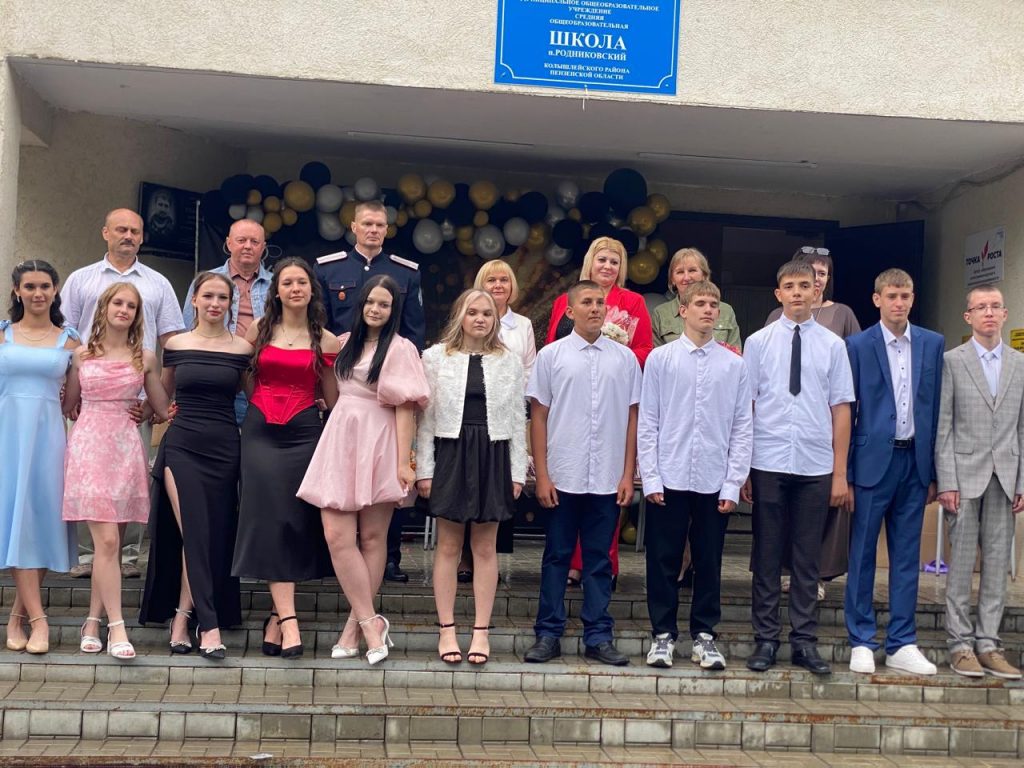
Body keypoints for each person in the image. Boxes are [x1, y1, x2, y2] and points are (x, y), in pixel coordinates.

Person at [297, 275, 429, 665]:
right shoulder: (342, 342)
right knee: (337, 535)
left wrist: (404, 462)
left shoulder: (401, 349)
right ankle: (372, 622)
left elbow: (405, 408)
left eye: (384, 304)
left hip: (379, 438)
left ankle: (354, 628)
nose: (376, 309)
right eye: (371, 301)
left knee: (372, 539)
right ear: (360, 303)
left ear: (394, 310)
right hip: (341, 436)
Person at [741, 260, 854, 675]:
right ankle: (766, 639)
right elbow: (747, 406)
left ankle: (804, 642)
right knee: (767, 555)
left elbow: (841, 409)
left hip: (815, 463)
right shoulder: (758, 342)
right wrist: (744, 468)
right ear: (779, 294)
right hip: (768, 459)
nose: (797, 293)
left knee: (808, 559)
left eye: (804, 285)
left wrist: (839, 473)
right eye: (789, 286)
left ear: (816, 290)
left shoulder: (833, 345)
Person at [61, 208, 185, 580]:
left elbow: (171, 343)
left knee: (129, 477)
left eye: (134, 231)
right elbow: (66, 336)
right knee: (89, 479)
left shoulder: (158, 283)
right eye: (121, 230)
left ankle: (128, 554)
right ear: (106, 233)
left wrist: (157, 399)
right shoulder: (81, 279)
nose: (128, 236)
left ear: (142, 237)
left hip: (133, 399)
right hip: (90, 398)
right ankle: (88, 554)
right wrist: (73, 386)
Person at [524, 280, 642, 667]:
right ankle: (548, 633)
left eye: (600, 302)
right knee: (557, 556)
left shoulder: (624, 359)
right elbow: (538, 417)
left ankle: (598, 635)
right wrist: (542, 475)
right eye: (586, 302)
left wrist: (627, 474)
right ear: (570, 311)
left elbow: (633, 417)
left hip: (607, 477)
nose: (595, 308)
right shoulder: (551, 356)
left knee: (599, 560)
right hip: (563, 475)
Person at [138, 272, 253, 660]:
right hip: (182, 446)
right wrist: (135, 405)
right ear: (195, 300)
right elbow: (162, 394)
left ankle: (182, 618)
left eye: (223, 297)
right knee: (194, 530)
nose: (215, 303)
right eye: (208, 296)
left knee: (206, 537)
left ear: (231, 304)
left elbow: (257, 400)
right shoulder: (176, 345)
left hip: (225, 447)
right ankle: (210, 625)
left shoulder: (242, 349)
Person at [639, 281, 752, 670]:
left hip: (713, 476)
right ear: (682, 310)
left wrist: (733, 482)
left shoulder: (734, 365)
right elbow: (648, 421)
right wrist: (650, 477)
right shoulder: (661, 359)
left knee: (709, 558)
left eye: (713, 304)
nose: (707, 309)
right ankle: (663, 634)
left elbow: (742, 426)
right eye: (700, 303)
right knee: (663, 557)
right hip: (669, 473)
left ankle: (704, 635)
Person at [233, 258, 341, 660]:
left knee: (292, 521)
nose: (295, 288)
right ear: (276, 291)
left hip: (304, 434)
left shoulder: (326, 340)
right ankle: (290, 620)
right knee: (268, 519)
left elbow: (333, 399)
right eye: (287, 283)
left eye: (301, 282)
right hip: (260, 433)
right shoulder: (258, 330)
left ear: (311, 290)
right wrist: (259, 407)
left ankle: (277, 618)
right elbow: (246, 378)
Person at [316, 199, 425, 584]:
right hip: (345, 390)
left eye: (380, 224)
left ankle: (388, 559)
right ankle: (341, 566)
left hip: (384, 394)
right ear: (353, 226)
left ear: (387, 229)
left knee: (383, 486)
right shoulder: (329, 269)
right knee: (341, 489)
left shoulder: (405, 272)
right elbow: (322, 330)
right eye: (367, 223)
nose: (374, 230)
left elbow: (414, 331)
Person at [417, 289, 527, 665]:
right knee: (448, 546)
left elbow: (517, 419)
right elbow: (425, 420)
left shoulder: (509, 361)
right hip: (451, 452)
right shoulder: (435, 357)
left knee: (484, 547)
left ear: (496, 320)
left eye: (487, 313)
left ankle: (481, 631)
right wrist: (425, 469)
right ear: (460, 316)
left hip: (493, 453)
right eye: (473, 312)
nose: (480, 319)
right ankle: (446, 629)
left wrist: (517, 471)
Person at [62, 282, 171, 660]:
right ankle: (118, 627)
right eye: (118, 303)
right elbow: (69, 404)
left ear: (137, 314)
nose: (124, 310)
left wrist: (146, 408)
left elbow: (162, 407)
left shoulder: (145, 358)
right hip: (89, 448)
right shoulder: (80, 355)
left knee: (109, 548)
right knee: (107, 543)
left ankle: (92, 622)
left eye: (131, 306)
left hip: (125, 450)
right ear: (105, 307)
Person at [843, 268, 944, 676]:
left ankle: (902, 641)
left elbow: (937, 408)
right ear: (877, 299)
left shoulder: (932, 344)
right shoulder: (857, 345)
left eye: (905, 296)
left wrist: (935, 472)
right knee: (862, 553)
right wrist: (845, 473)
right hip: (870, 463)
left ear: (912, 299)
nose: (899, 302)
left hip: (914, 463)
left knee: (906, 557)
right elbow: (847, 410)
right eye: (892, 296)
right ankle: (861, 639)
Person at [547, 237, 651, 588]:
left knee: (606, 495)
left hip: (613, 402)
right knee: (572, 492)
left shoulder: (634, 302)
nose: (608, 267)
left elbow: (645, 349)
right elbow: (553, 346)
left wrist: (612, 351)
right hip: (573, 408)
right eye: (602, 259)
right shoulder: (564, 300)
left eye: (615, 261)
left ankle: (605, 566)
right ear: (590, 262)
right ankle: (572, 565)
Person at [936, 284, 1024, 680]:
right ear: (967, 316)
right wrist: (946, 481)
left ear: (1005, 314)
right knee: (960, 565)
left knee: (997, 563)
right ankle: (960, 644)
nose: (989, 313)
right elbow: (944, 426)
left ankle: (989, 644)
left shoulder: (1020, 364)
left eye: (995, 306)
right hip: (964, 475)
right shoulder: (952, 362)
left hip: (1005, 475)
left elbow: (1022, 427)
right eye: (981, 307)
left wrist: (1022, 481)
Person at [766, 248, 861, 598]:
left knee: (820, 509)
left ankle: (815, 575)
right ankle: (784, 571)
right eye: (811, 272)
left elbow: (853, 368)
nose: (816, 279)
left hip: (823, 426)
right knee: (782, 512)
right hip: (780, 432)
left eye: (822, 273)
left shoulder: (842, 315)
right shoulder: (774, 319)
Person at [1, 260, 79, 655]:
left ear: (55, 289)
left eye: (44, 286)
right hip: (7, 437)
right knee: (17, 521)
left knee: (42, 523)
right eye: (29, 286)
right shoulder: (2, 334)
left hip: (49, 438)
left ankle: (17, 616)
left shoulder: (70, 340)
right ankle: (39, 620)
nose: (37, 293)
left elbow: (74, 400)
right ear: (17, 290)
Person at [455, 259, 537, 583]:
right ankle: (465, 556)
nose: (498, 285)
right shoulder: (468, 318)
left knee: (497, 489)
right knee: (468, 486)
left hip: (506, 415)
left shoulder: (523, 325)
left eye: (504, 279)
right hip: (471, 414)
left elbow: (529, 368)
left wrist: (513, 396)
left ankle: (488, 557)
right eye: (491, 280)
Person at [183, 218, 273, 425]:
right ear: (229, 243)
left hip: (262, 378)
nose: (248, 246)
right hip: (216, 377)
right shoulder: (206, 282)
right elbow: (188, 330)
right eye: (241, 240)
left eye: (254, 242)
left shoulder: (276, 285)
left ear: (263, 247)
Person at [652, 248, 741, 349]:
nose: (686, 277)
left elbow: (734, 353)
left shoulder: (726, 311)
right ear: (672, 279)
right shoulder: (660, 314)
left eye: (692, 270)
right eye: (680, 272)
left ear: (704, 275)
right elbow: (658, 356)